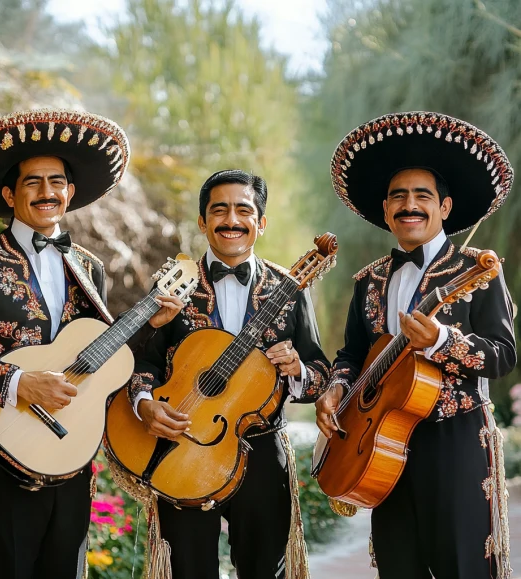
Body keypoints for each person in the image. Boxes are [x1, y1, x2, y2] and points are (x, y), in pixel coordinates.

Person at [0, 110, 182, 579]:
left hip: (71, 453)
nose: (46, 192)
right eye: (32, 182)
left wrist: (148, 326)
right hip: (2, 450)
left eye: (56, 181)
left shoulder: (89, 267)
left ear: (70, 192)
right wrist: (19, 382)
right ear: (10, 195)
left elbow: (98, 353)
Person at [316, 112, 516, 579]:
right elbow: (352, 354)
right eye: (398, 196)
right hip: (379, 445)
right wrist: (336, 388)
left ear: (444, 207)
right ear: (386, 210)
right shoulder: (368, 280)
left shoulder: (476, 269)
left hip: (454, 440)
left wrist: (442, 340)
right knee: (397, 566)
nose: (410, 205)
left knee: (464, 568)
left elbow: (503, 354)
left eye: (422, 196)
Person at [126, 169, 331, 579]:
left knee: (264, 570)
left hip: (262, 451)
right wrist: (145, 404)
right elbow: (140, 359)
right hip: (183, 447)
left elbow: (320, 372)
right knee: (188, 569)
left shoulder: (290, 288)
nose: (231, 220)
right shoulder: (173, 284)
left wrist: (297, 370)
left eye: (243, 210)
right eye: (219, 210)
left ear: (261, 222)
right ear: (202, 222)